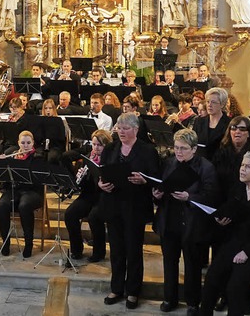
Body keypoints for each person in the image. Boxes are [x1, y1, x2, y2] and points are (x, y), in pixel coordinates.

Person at [200, 152, 250, 316]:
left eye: (248, 167)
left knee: (235, 286)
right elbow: (231, 214)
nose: (242, 170)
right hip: (235, 243)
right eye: (242, 165)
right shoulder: (237, 189)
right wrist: (222, 222)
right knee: (212, 279)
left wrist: (246, 252)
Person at [152, 129, 218, 315]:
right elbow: (161, 186)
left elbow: (212, 196)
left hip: (193, 223)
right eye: (176, 147)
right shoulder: (169, 163)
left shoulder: (206, 167)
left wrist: (189, 196)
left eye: (183, 148)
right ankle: (169, 298)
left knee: (192, 264)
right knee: (169, 262)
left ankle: (192, 302)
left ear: (194, 149)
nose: (178, 152)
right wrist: (156, 195)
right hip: (170, 219)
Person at [98, 113, 160, 310]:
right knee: (116, 250)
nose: (121, 131)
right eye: (119, 128)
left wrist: (144, 180)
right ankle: (116, 288)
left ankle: (133, 291)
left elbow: (156, 177)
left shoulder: (148, 150)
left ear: (136, 130)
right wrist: (101, 183)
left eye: (125, 128)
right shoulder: (110, 148)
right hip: (114, 203)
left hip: (135, 205)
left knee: (133, 250)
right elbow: (101, 172)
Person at [64, 129, 111, 262]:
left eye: (99, 145)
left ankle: (99, 252)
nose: (96, 148)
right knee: (70, 214)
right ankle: (76, 249)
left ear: (106, 145)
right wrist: (79, 178)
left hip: (104, 196)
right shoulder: (88, 157)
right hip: (89, 195)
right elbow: (84, 186)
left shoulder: (110, 159)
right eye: (94, 144)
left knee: (94, 218)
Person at [0, 130, 42, 258]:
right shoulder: (13, 155)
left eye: (28, 143)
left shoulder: (38, 156)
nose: (25, 145)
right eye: (23, 143)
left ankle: (28, 244)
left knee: (24, 206)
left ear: (33, 143)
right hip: (14, 190)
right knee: (2, 205)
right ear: (18, 143)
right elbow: (4, 178)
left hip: (33, 192)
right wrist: (2, 163)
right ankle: (6, 243)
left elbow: (39, 180)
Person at [192, 87, 231, 160]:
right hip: (201, 164)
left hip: (220, 164)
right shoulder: (199, 121)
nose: (209, 105)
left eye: (213, 102)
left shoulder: (229, 123)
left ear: (222, 105)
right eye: (207, 101)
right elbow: (194, 143)